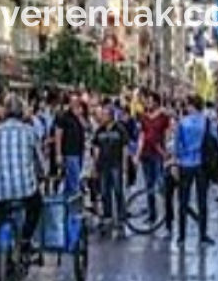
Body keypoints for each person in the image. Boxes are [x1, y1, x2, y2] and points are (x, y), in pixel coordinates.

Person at [0, 95, 45, 280]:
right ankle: (26, 238)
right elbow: (39, 160)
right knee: (36, 205)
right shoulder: (29, 132)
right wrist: (42, 172)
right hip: (24, 188)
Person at [173, 96, 213, 247]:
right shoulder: (207, 121)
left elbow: (178, 144)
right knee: (202, 201)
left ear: (191, 105)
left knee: (183, 201)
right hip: (202, 164)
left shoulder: (183, 122)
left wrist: (176, 162)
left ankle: (181, 236)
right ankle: (203, 235)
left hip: (185, 164)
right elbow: (212, 141)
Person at [91, 104, 130, 237]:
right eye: (102, 114)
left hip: (116, 165)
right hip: (103, 166)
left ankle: (121, 217)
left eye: (105, 114)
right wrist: (95, 166)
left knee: (118, 191)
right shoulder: (99, 130)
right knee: (104, 191)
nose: (102, 116)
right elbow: (95, 149)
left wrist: (125, 165)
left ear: (111, 116)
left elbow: (125, 147)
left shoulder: (120, 129)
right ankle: (108, 216)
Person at [136, 92, 171, 228]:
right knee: (148, 186)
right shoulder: (144, 117)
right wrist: (137, 154)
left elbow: (168, 135)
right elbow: (142, 136)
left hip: (158, 154)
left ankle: (168, 214)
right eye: (147, 101)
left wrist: (167, 152)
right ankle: (152, 214)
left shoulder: (163, 117)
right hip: (146, 154)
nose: (148, 103)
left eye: (150, 101)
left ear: (156, 102)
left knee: (161, 184)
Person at [52, 93, 88, 197]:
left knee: (70, 182)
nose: (75, 104)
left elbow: (86, 127)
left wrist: (80, 116)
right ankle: (74, 208)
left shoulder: (79, 116)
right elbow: (58, 135)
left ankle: (66, 206)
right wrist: (58, 154)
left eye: (77, 102)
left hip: (79, 151)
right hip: (69, 153)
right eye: (73, 101)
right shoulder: (63, 116)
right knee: (74, 183)